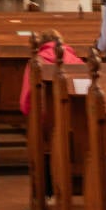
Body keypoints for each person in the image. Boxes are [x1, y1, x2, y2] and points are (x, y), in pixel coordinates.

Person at [19, 29, 83, 197]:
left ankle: (48, 191)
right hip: (77, 126)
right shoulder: (77, 61)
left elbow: (26, 99)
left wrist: (29, 117)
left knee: (46, 137)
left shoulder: (36, 62)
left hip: (46, 123)